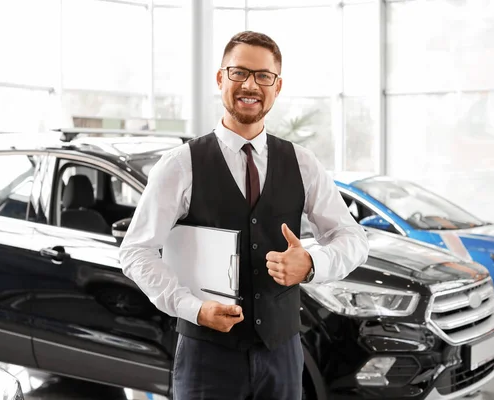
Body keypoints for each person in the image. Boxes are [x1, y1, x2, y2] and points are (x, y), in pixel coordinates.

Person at [119, 31, 370, 400]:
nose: (250, 85)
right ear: (221, 78)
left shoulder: (303, 164)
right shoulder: (180, 165)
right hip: (206, 356)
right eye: (239, 72)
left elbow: (353, 238)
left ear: (277, 86)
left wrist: (312, 263)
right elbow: (136, 251)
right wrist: (193, 308)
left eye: (263, 76)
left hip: (281, 356)